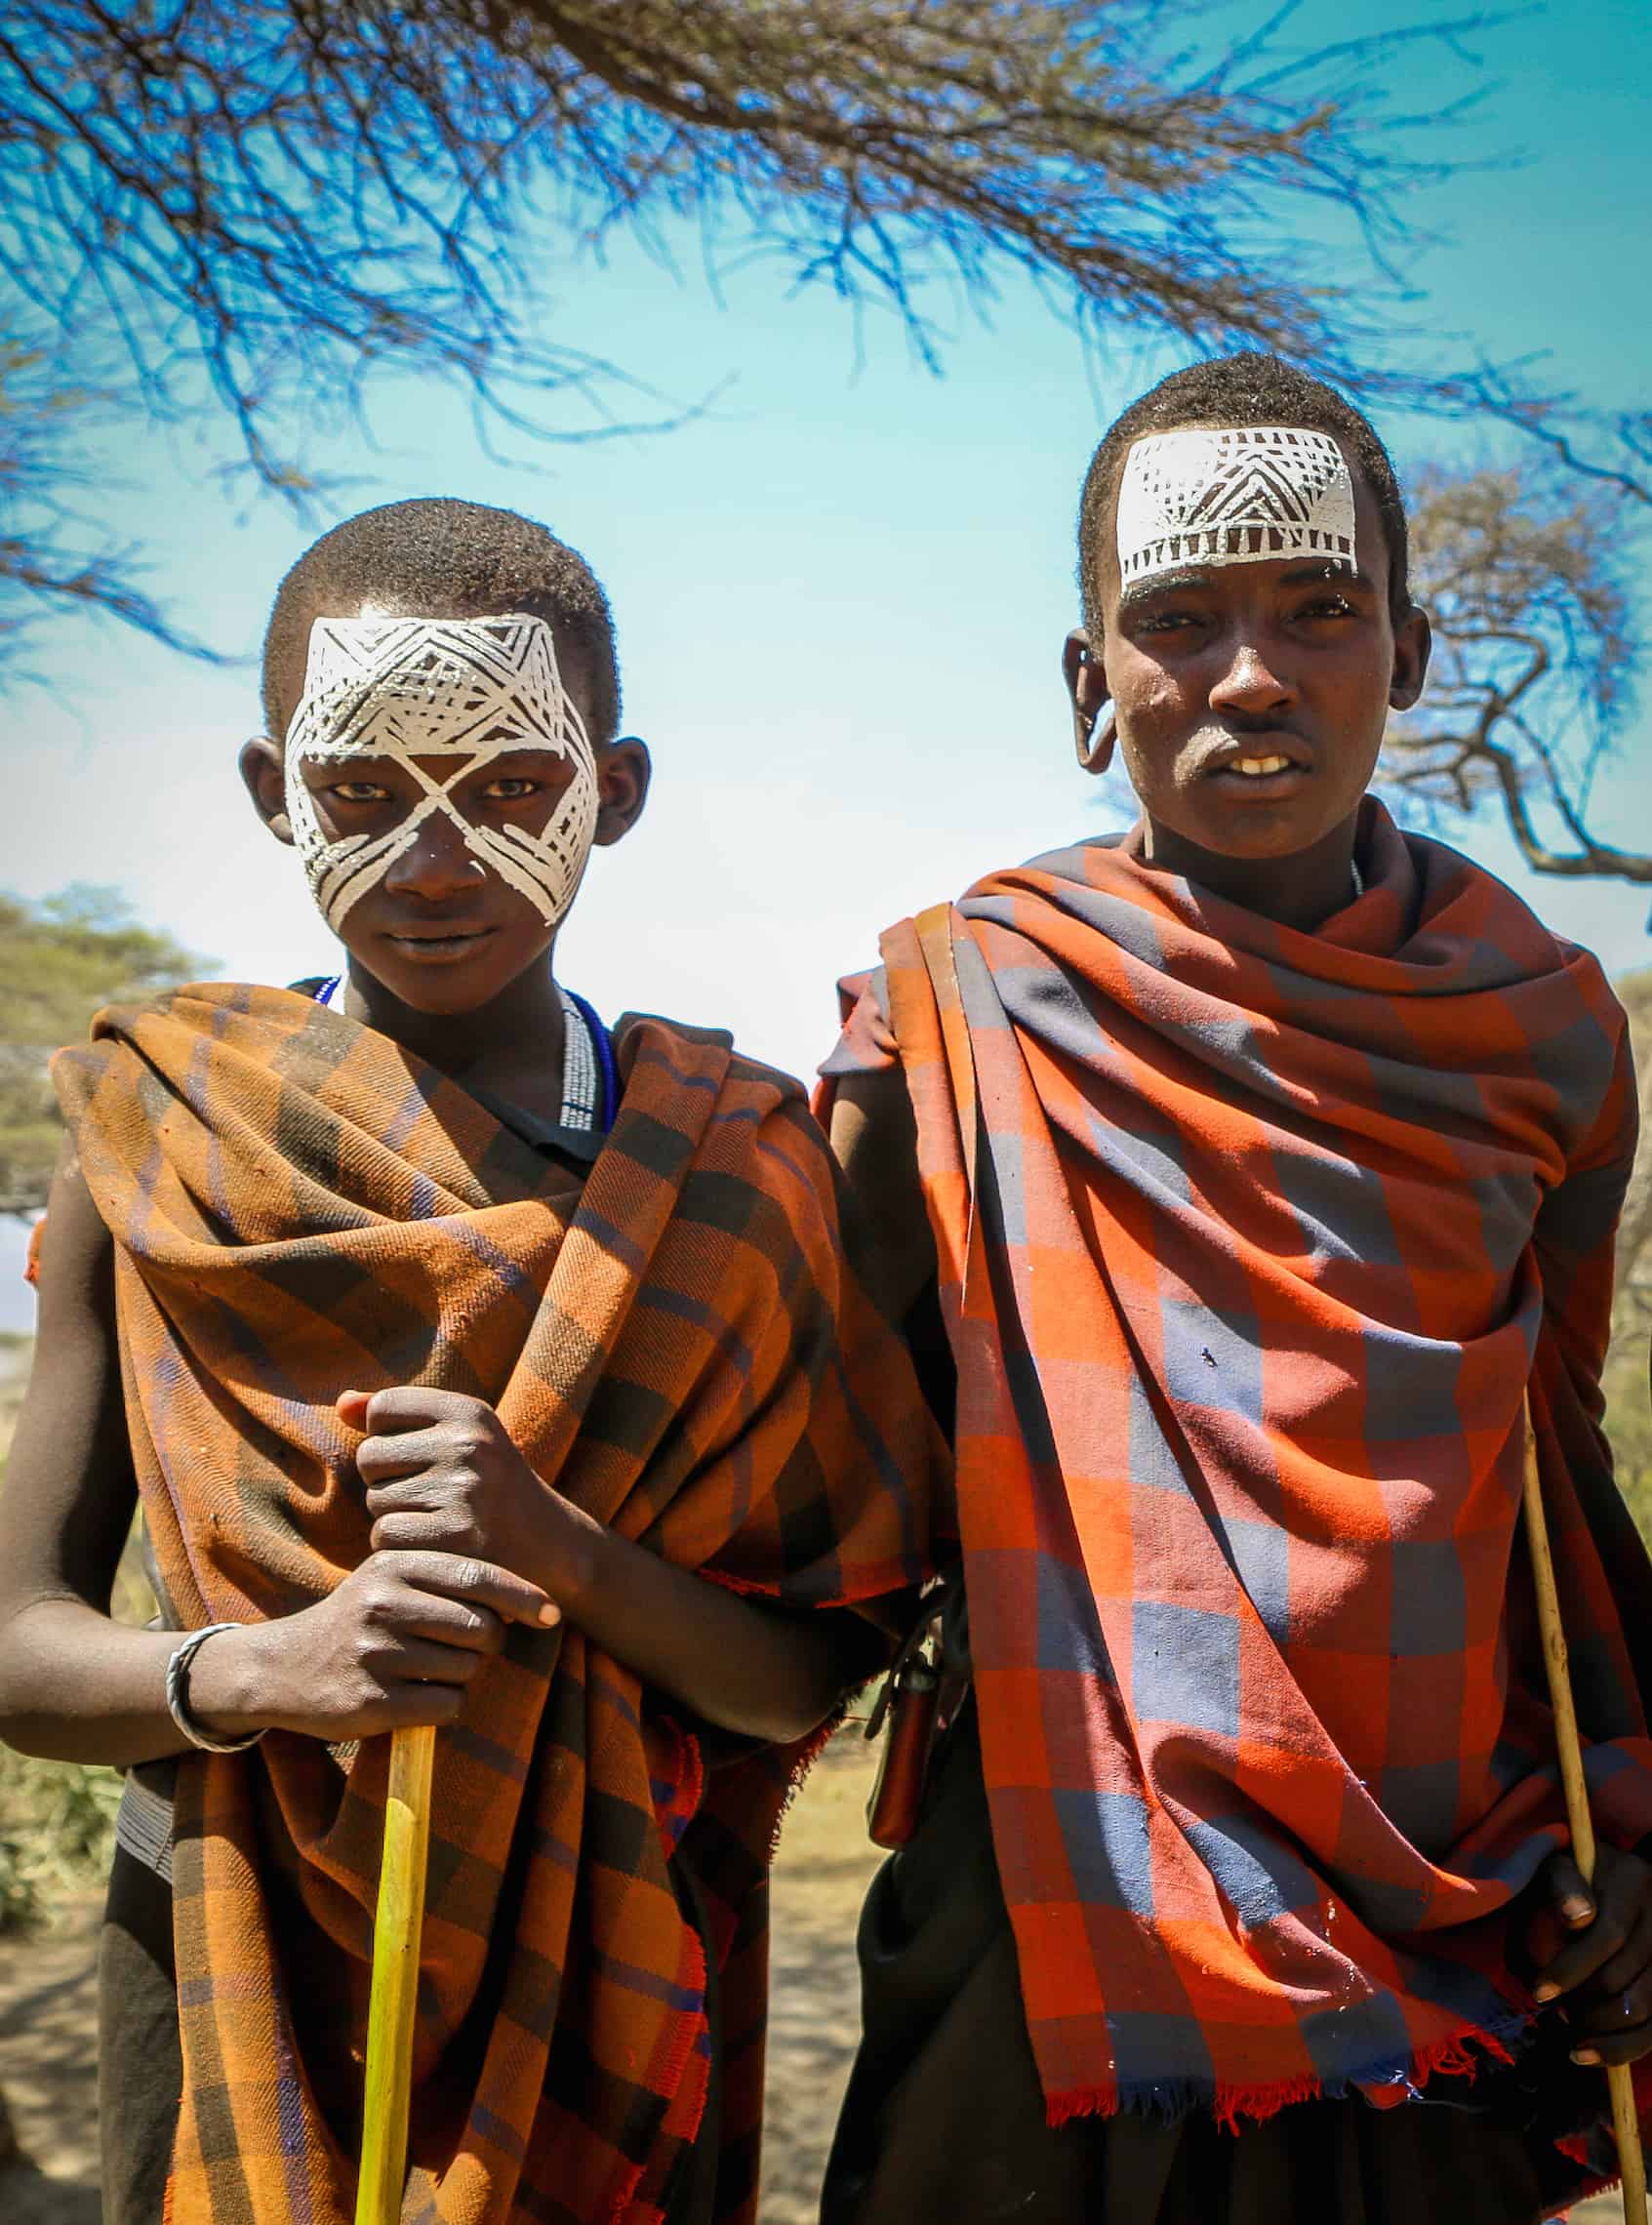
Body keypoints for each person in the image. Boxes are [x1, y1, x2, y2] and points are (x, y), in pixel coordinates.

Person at [0, 498, 943, 2225]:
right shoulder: (154, 1137)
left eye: (513, 786)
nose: (436, 865)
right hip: (224, 1942)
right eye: (363, 792)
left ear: (620, 790)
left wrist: (560, 1553)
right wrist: (271, 1670)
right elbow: (12, 1652)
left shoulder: (736, 1167)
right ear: (273, 789)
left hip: (617, 1946)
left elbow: (808, 1677)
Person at [817, 355, 1652, 2223]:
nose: (1251, 674)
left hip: (1448, 1884)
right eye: (1177, 619)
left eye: (1318, 611)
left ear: (1412, 654)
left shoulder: (1540, 1033)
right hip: (1052, 1892)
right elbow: (842, 1504)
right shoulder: (946, 1022)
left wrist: (1625, 1791)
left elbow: (1552, 1480)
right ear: (1086, 687)